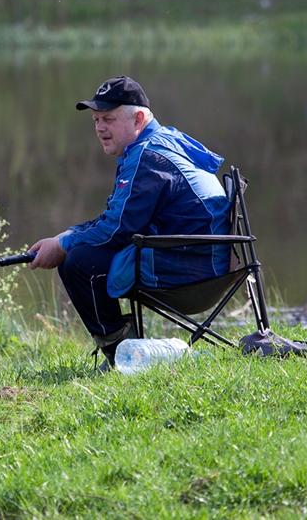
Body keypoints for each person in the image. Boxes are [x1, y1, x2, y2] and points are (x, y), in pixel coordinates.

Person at [28, 75, 231, 370]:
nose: (99, 128)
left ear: (138, 118)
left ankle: (120, 352)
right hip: (202, 261)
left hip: (193, 273)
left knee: (79, 264)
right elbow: (117, 220)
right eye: (96, 120)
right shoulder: (157, 143)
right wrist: (68, 235)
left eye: (108, 119)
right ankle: (125, 348)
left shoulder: (148, 158)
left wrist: (63, 244)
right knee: (81, 250)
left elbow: (116, 230)